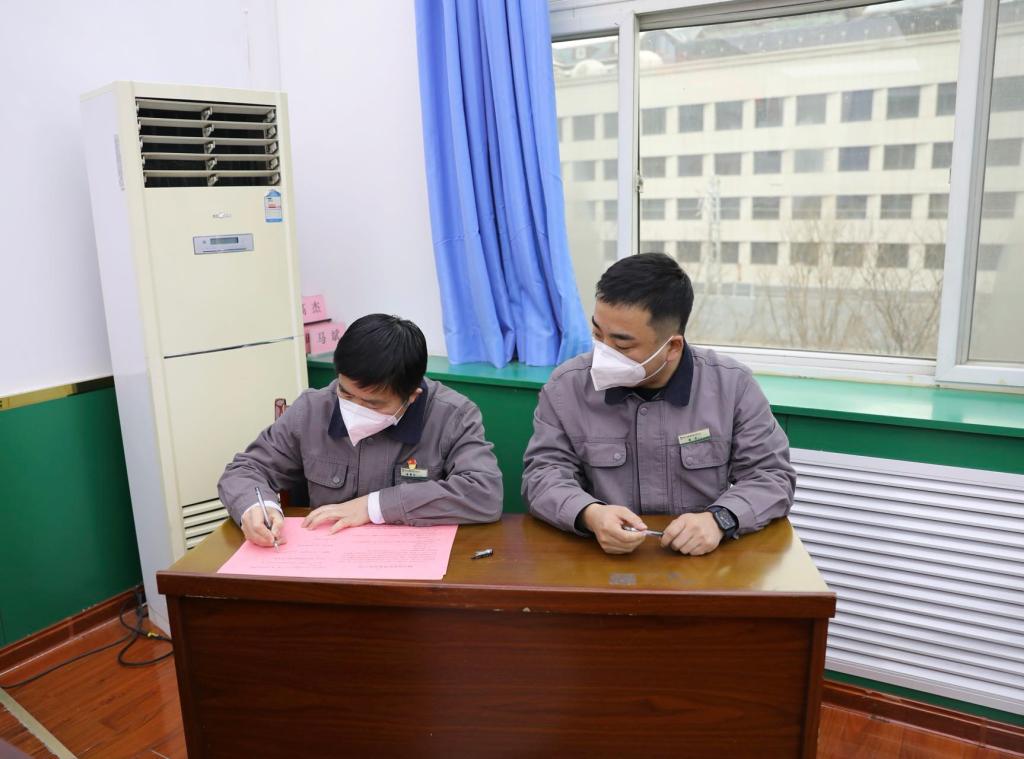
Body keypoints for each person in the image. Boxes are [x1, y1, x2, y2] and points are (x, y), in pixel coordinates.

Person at [522, 253, 795, 555]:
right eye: (598, 334)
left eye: (622, 344)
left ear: (672, 347)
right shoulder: (567, 387)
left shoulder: (732, 386)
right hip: (601, 558)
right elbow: (542, 476)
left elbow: (771, 476)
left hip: (703, 561)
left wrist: (720, 519)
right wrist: (590, 514)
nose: (603, 353)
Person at [219, 313, 503, 545]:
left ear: (412, 396)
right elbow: (245, 469)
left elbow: (485, 493)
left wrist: (374, 506)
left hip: (411, 567)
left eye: (372, 403)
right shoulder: (312, 410)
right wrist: (255, 507)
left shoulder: (452, 416)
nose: (354, 408)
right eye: (346, 393)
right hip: (325, 563)